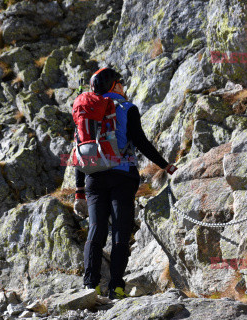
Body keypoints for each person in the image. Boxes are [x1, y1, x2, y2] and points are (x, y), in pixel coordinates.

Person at [74, 68, 177, 300]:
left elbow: (80, 149)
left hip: (93, 177)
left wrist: (79, 189)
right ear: (115, 86)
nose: (122, 86)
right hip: (122, 175)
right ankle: (116, 287)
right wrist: (165, 165)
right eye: (120, 82)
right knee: (120, 230)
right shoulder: (127, 108)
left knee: (96, 230)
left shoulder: (85, 110)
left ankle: (90, 285)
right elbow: (140, 141)